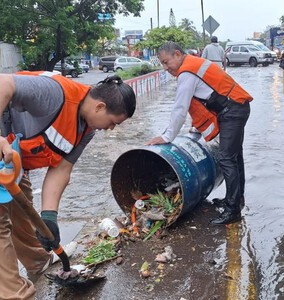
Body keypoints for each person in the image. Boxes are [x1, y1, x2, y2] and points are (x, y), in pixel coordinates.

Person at [0, 71, 136, 299]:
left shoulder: (86, 130)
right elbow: (4, 82)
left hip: (10, 161)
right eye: (113, 123)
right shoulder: (55, 94)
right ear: (100, 107)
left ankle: (40, 264)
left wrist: (49, 217)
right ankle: (15, 294)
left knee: (23, 214)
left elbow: (61, 170)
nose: (111, 129)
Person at [146, 41, 252, 225]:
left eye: (166, 62)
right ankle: (235, 199)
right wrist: (197, 126)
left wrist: (166, 137)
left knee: (227, 159)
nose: (165, 68)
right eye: (161, 64)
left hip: (233, 110)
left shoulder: (187, 72)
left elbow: (180, 107)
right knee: (234, 156)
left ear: (177, 54)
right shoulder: (193, 64)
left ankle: (233, 210)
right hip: (235, 107)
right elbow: (203, 99)